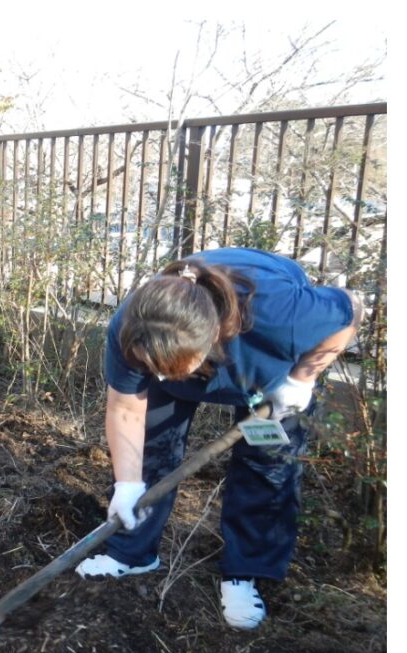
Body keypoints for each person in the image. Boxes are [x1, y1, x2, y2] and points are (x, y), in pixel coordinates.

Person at [74, 247, 362, 630]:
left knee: (267, 465)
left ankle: (244, 571)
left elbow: (351, 308)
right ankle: (133, 553)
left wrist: (302, 378)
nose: (158, 378)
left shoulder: (283, 315)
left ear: (210, 338)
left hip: (267, 367)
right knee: (150, 450)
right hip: (177, 343)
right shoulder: (135, 327)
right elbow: (126, 408)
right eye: (151, 368)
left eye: (171, 369)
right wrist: (128, 485)